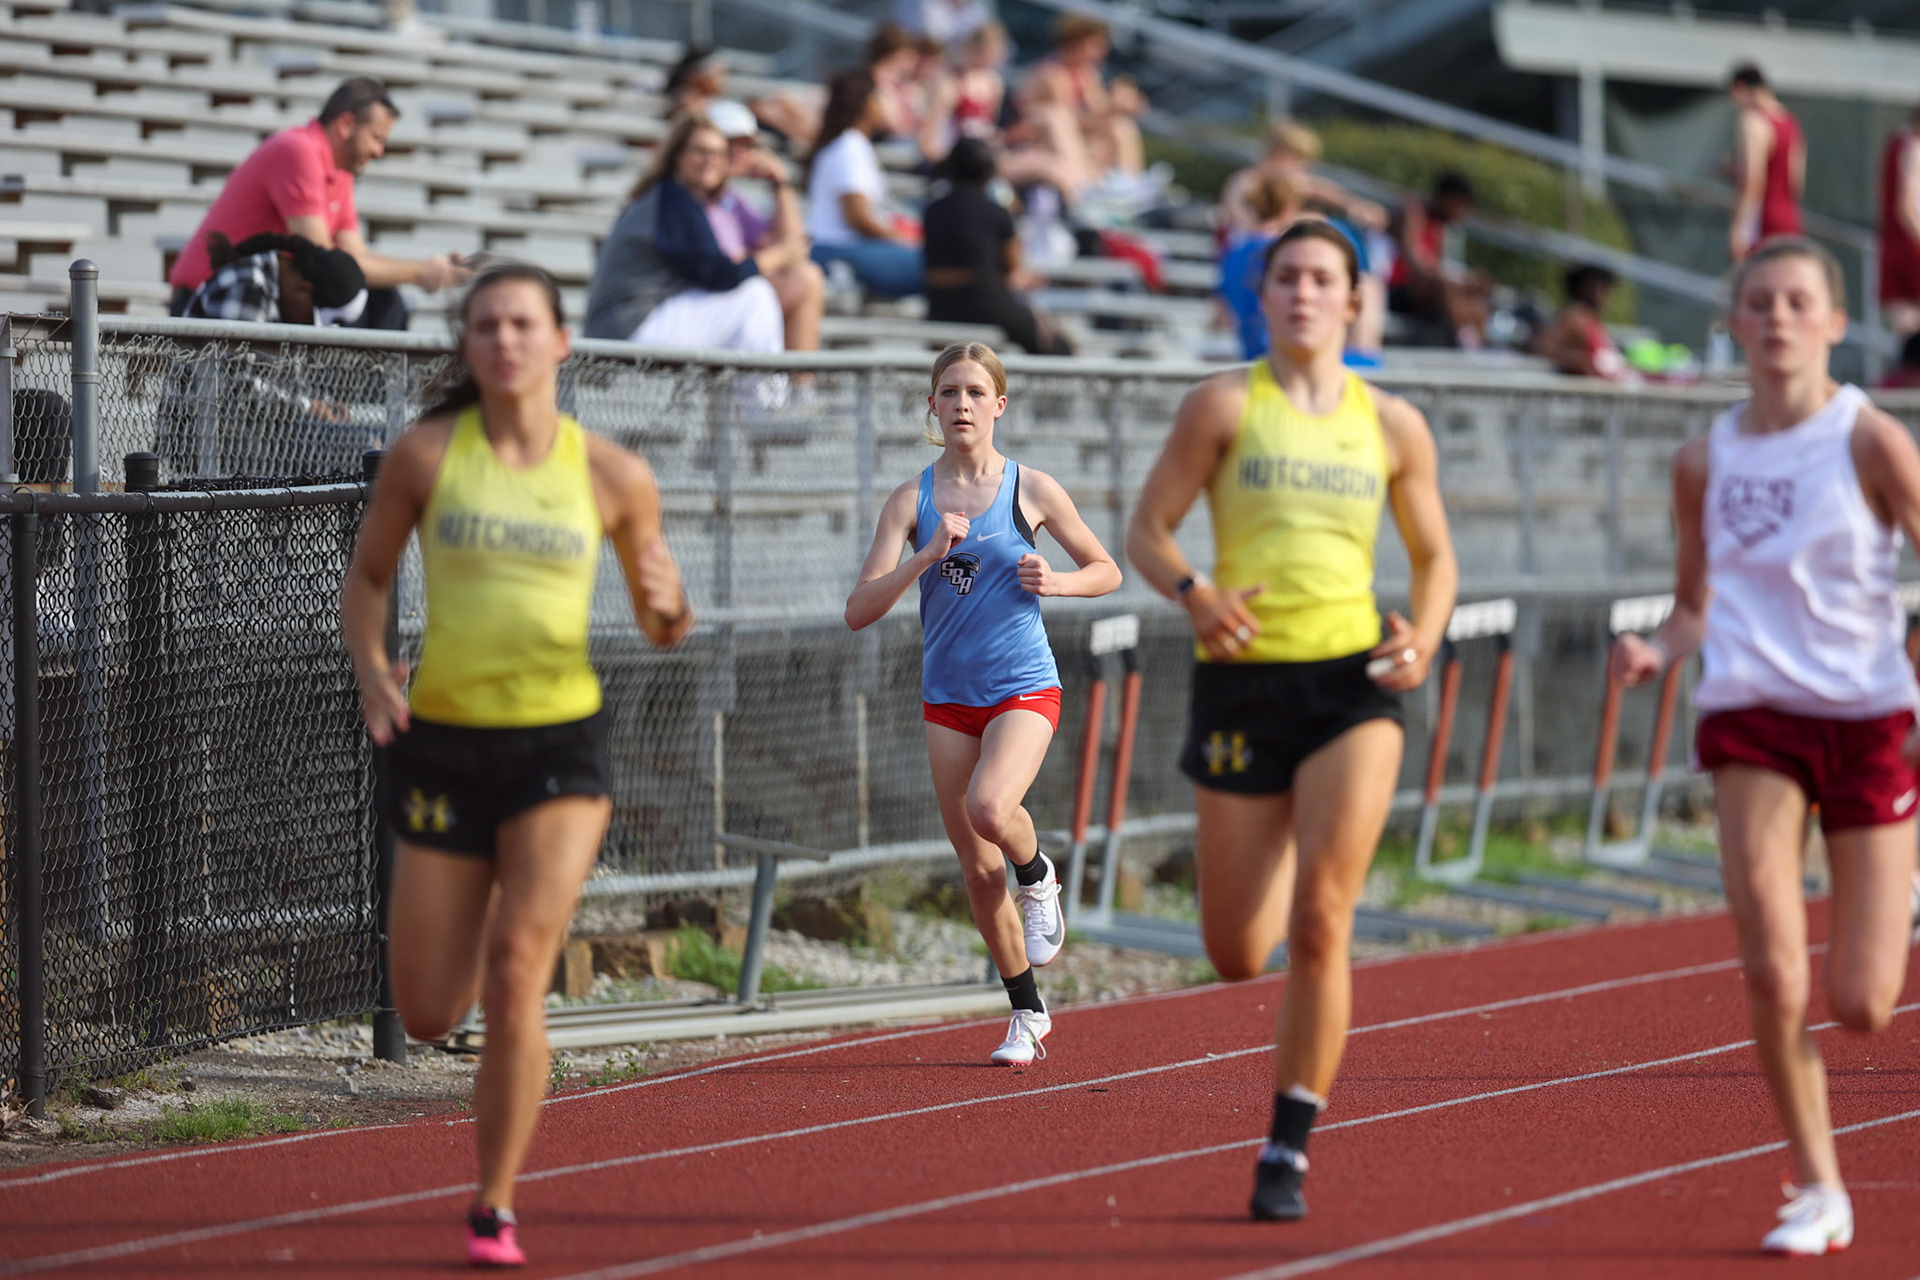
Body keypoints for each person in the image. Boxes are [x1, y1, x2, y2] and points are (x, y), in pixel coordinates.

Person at [341, 263, 693, 1268]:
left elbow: (664, 623)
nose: (504, 339)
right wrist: (372, 671)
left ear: (559, 342)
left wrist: (668, 599)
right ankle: (489, 904)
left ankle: (493, 1202)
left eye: (522, 323)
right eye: (486, 324)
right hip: (443, 745)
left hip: (558, 745)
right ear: (469, 344)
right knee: (426, 1007)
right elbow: (367, 581)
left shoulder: (614, 474)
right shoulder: (424, 455)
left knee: (515, 971)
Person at [1125, 220, 1457, 1222]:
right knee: (1235, 948)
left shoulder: (1392, 422)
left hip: (1354, 682)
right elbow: (1148, 528)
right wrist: (1195, 591)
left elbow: (1435, 555)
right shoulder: (1224, 404)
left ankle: (1288, 1142)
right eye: (1289, 278)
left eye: (1325, 278)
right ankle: (1273, 948)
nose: (1307, 293)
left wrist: (1428, 634)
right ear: (1259, 296)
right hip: (1243, 682)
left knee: (1324, 916)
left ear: (1355, 299)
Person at [1611, 237, 1920, 1258]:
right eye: (1760, 302)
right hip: (1749, 716)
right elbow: (1696, 603)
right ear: (1733, 321)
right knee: (1773, 967)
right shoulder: (1703, 459)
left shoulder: (1870, 440)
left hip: (1869, 720)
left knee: (1862, 1001)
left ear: (1835, 322)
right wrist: (1658, 646)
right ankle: (1819, 1182)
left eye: (1799, 301)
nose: (1778, 317)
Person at [845, 341, 1121, 1064]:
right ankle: (1027, 1015)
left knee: (991, 810)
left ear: (999, 404)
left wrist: (1056, 583)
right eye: (948, 392)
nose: (961, 404)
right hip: (948, 697)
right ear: (931, 407)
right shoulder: (912, 500)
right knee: (974, 867)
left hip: (1023, 685)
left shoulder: (1031, 488)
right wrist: (925, 556)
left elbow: (1107, 569)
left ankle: (1039, 875)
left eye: (974, 392)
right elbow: (858, 609)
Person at [168, 78, 470, 330]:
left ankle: (364, 401)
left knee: (381, 298)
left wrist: (436, 270)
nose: (380, 152)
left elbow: (354, 257)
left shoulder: (339, 170)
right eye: (376, 138)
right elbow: (322, 262)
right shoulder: (298, 150)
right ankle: (361, 399)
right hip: (219, 298)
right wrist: (420, 273)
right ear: (346, 125)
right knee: (362, 298)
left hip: (263, 296)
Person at [582, 116, 800, 352]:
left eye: (718, 154)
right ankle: (772, 391)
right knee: (756, 296)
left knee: (753, 299)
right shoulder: (672, 198)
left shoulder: (671, 196)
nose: (710, 161)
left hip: (629, 325)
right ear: (678, 156)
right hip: (628, 328)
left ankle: (754, 390)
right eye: (701, 151)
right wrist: (779, 255)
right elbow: (720, 275)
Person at [923, 139, 1072, 356]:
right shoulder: (996, 213)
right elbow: (1013, 273)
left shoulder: (932, 211)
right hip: (986, 303)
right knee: (1056, 345)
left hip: (940, 308)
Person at [699, 100, 826, 355]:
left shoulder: (732, 200)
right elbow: (724, 269)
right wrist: (777, 255)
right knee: (806, 280)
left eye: (746, 145)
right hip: (701, 306)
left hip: (726, 301)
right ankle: (800, 390)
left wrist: (781, 184)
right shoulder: (694, 198)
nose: (739, 153)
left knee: (806, 276)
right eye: (731, 142)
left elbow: (796, 251)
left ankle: (800, 390)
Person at [806, 70, 924, 302]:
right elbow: (859, 219)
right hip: (838, 250)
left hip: (841, 248)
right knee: (944, 267)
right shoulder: (850, 147)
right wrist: (904, 238)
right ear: (865, 103)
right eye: (880, 97)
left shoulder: (850, 145)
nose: (885, 104)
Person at [1219, 119, 1387, 249]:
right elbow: (1251, 228)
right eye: (1299, 162)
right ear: (1279, 154)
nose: (1303, 171)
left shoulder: (1288, 182)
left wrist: (1358, 206)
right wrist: (1301, 220)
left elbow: (1324, 190)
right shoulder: (1244, 182)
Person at [1019, 15, 1145, 181]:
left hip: (1068, 136)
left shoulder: (1088, 75)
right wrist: (1111, 110)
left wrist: (1119, 109)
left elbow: (1095, 114)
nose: (1102, 50)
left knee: (1121, 125)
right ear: (1074, 45)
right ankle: (1083, 184)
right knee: (1057, 117)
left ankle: (1131, 183)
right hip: (1035, 137)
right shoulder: (1052, 74)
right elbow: (1071, 121)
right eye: (1095, 44)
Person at [1387, 170, 1489, 348]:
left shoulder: (1440, 226)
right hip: (1396, 290)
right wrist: (1459, 281)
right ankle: (1466, 346)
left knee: (1476, 296)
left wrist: (1467, 282)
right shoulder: (1413, 214)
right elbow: (1415, 266)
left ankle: (1479, 346)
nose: (1462, 213)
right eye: (1461, 206)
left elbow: (1438, 268)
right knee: (1445, 287)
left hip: (1424, 291)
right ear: (1448, 199)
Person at [181, 231, 368, 326]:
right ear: (304, 289)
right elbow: (234, 386)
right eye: (311, 318)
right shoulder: (249, 287)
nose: (307, 327)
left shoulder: (277, 299)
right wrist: (306, 403)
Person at [1728, 64, 1804, 262]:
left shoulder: (1753, 120)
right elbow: (1796, 181)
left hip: (1763, 221)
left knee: (1753, 287)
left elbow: (1753, 181)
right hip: (1788, 218)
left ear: (1740, 89)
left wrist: (1739, 230)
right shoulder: (1790, 122)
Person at [1534, 263, 1629, 381]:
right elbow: (1543, 347)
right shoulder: (1573, 316)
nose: (1607, 293)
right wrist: (1580, 361)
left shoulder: (1590, 318)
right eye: (1603, 285)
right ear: (1586, 286)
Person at [1878, 107, 1920, 343]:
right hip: (1911, 244)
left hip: (1894, 241)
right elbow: (1907, 206)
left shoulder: (1896, 144)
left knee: (1905, 323)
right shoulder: (1913, 148)